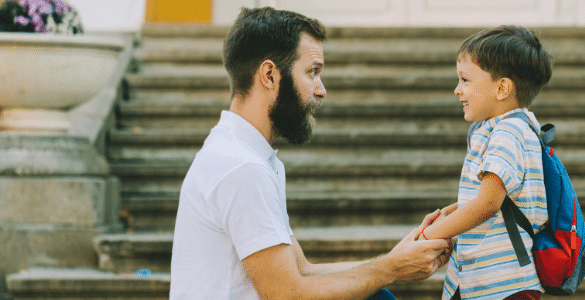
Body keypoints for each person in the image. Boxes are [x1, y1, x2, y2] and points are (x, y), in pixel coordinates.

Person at [169, 7, 451, 300]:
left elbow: (301, 271)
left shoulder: (248, 155)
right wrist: (390, 269)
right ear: (269, 75)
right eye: (312, 72)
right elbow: (286, 294)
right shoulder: (241, 167)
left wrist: (394, 259)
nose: (321, 90)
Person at [415, 26, 555, 300]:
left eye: (465, 80)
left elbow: (488, 203)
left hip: (502, 285)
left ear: (502, 88)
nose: (457, 90)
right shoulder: (506, 129)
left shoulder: (508, 133)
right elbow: (497, 196)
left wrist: (429, 236)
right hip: (486, 279)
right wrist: (447, 213)